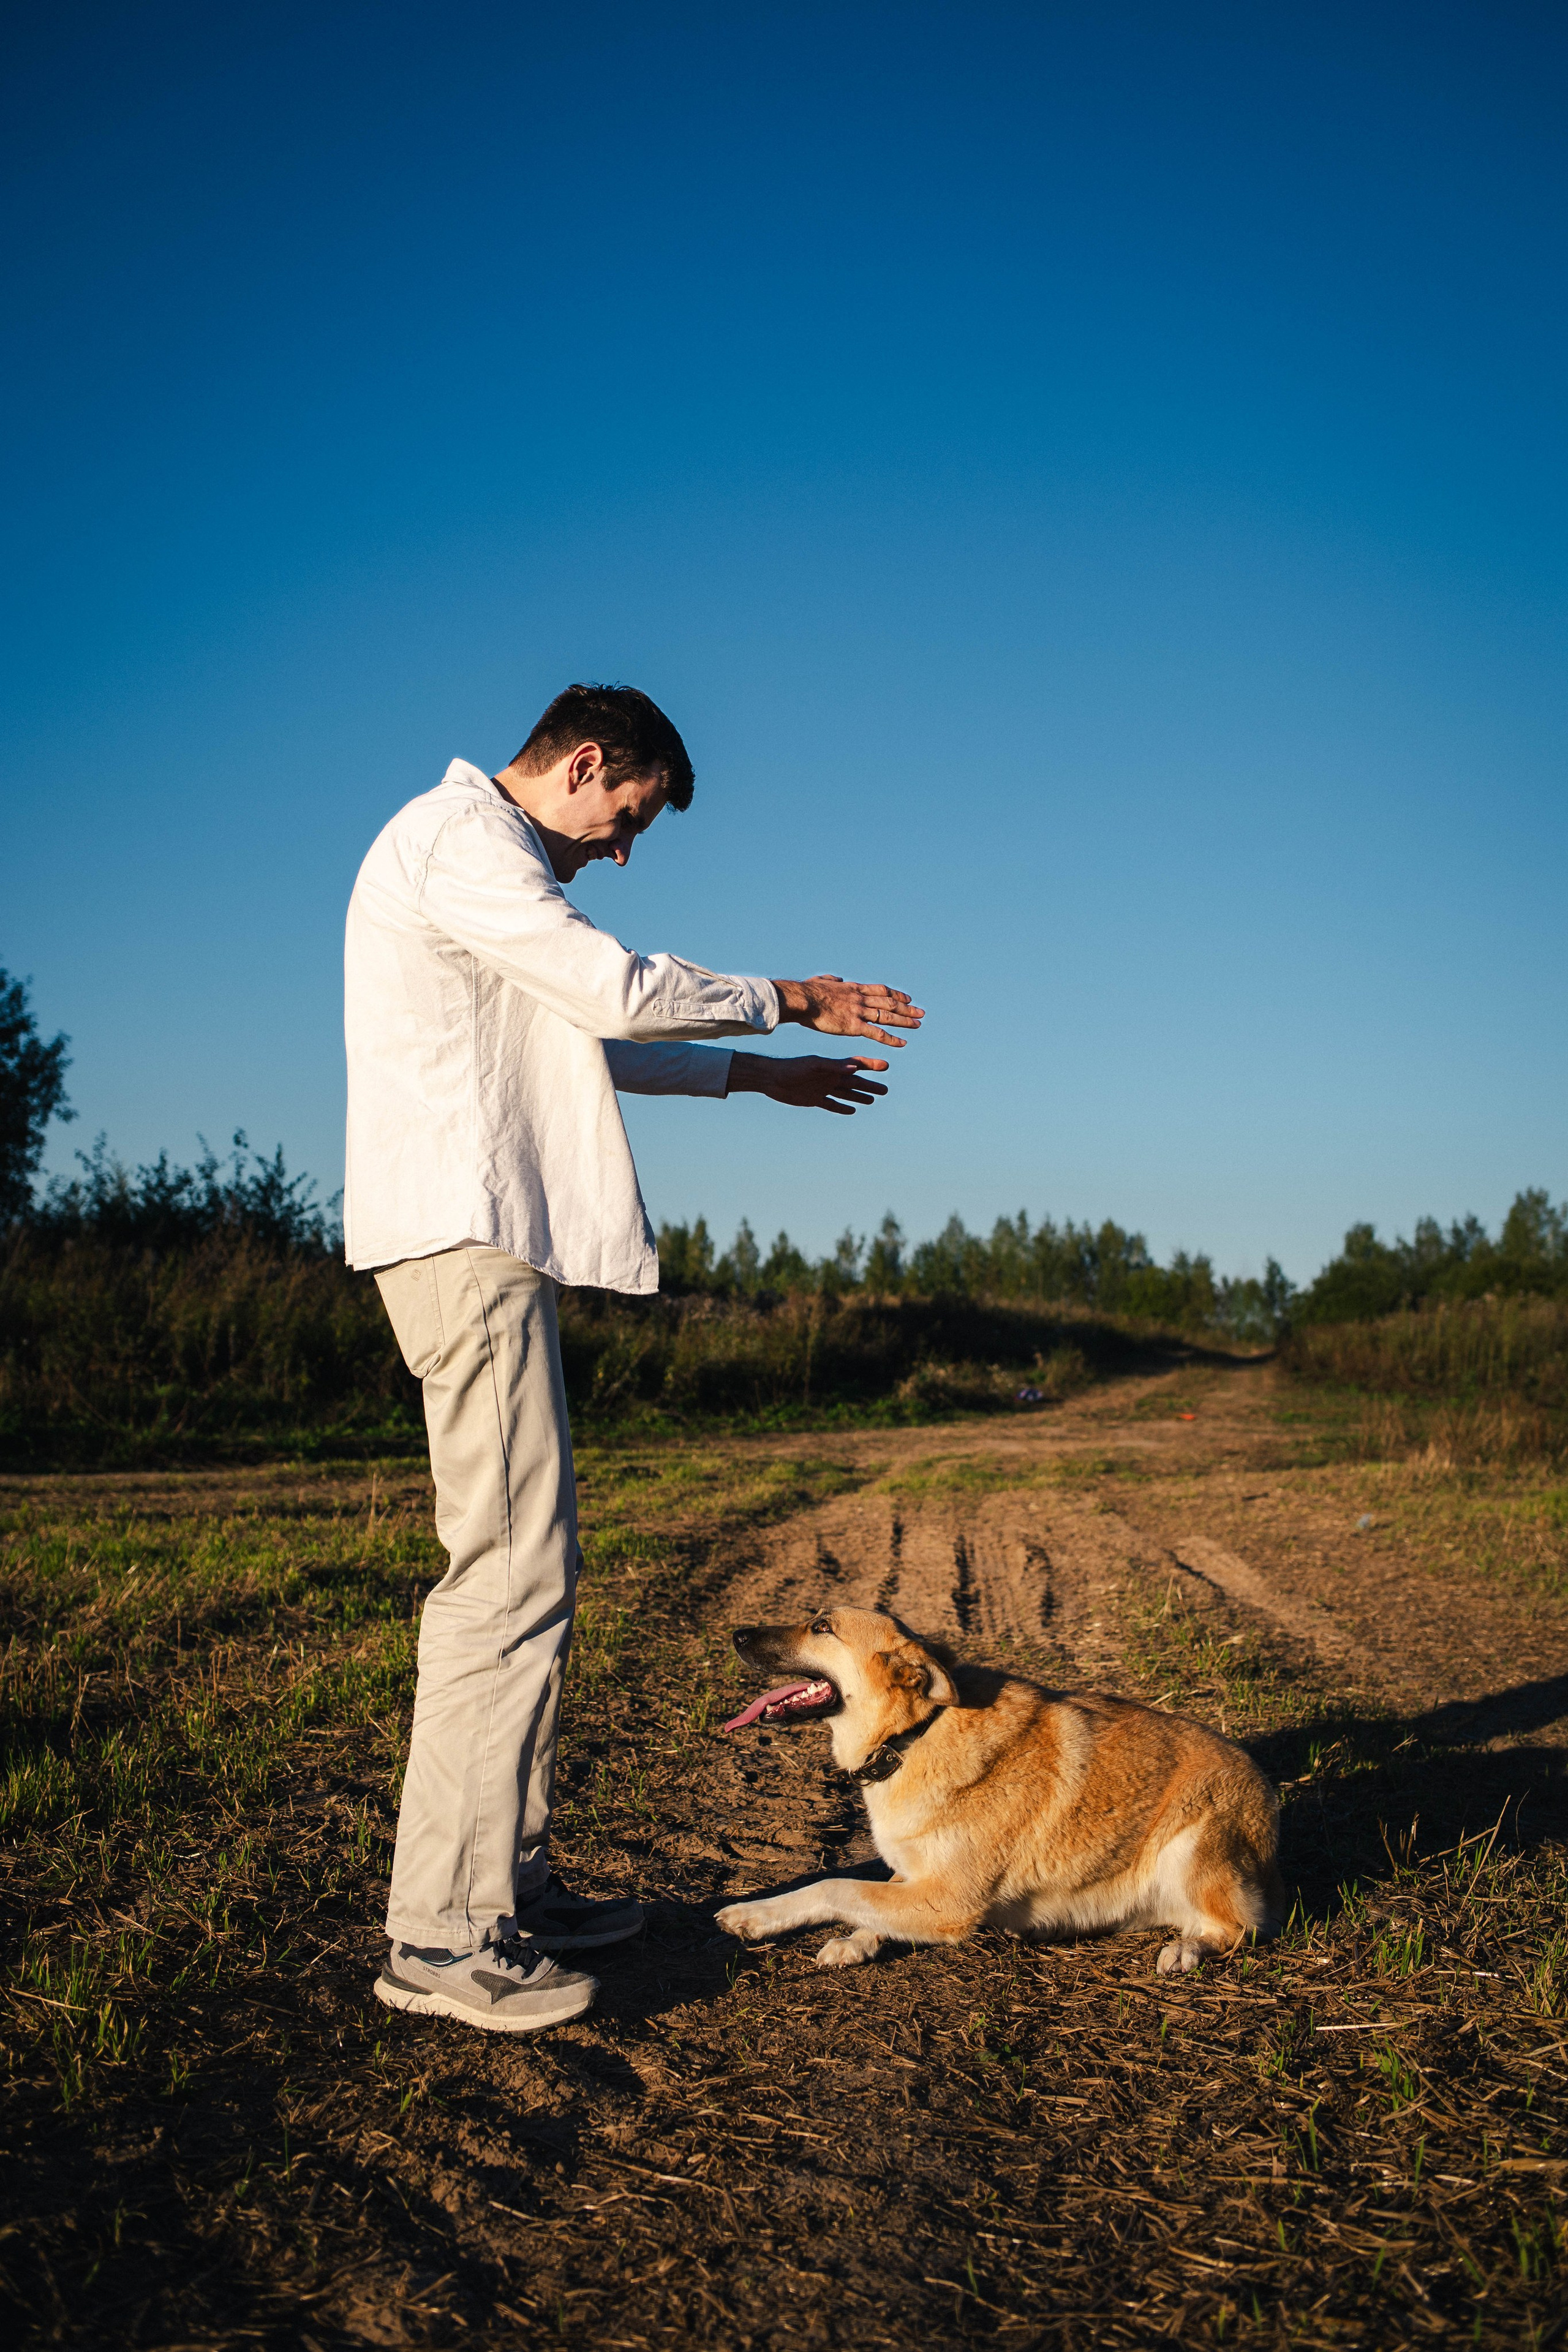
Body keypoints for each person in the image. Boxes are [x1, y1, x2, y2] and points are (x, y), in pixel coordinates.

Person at [343, 684, 922, 2034]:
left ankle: (506, 1886)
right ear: (587, 761)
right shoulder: (461, 838)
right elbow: (607, 986)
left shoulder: (483, 863)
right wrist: (790, 998)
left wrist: (753, 1072)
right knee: (503, 1581)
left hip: (484, 1244)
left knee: (529, 1573)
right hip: (462, 1242)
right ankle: (442, 1935)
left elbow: (578, 1034)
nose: (619, 850)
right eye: (628, 817)